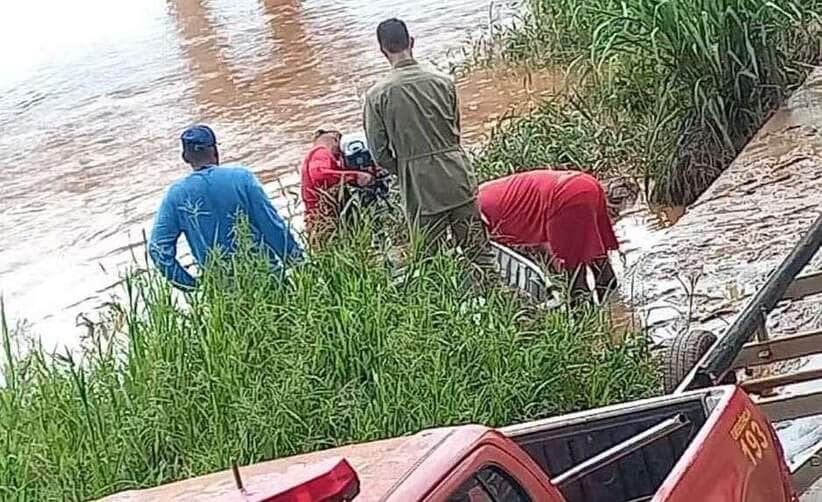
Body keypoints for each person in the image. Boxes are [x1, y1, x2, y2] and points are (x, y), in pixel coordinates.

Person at [363, 18, 497, 285]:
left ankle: (442, 318)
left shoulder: (377, 95)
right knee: (480, 255)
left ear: (382, 50)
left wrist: (404, 169)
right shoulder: (443, 81)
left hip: (420, 188)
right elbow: (455, 129)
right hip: (458, 177)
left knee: (429, 263)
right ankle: (500, 306)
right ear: (411, 42)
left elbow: (379, 153)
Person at [149, 125, 303, 290]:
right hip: (266, 280)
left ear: (185, 157)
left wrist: (189, 285)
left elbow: (158, 248)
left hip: (222, 292)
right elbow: (272, 226)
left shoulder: (176, 195)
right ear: (215, 151)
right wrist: (299, 265)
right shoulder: (242, 178)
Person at [476, 169, 620, 300]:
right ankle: (615, 309)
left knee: (575, 278)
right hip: (586, 183)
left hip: (566, 196)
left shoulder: (476, 214)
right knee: (597, 255)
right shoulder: (482, 193)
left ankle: (592, 322)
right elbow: (541, 246)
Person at [300, 128, 374, 246]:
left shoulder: (314, 155)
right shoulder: (321, 152)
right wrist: (355, 176)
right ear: (335, 138)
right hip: (324, 221)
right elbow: (319, 175)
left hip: (320, 222)